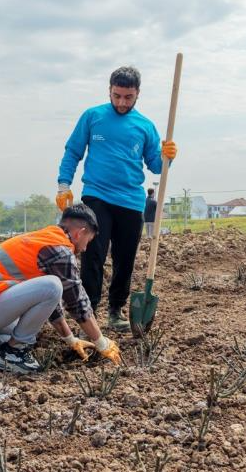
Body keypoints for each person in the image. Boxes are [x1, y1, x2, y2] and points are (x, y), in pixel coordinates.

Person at [56, 66, 178, 332]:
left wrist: (167, 156)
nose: (122, 102)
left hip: (131, 201)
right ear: (109, 91)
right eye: (117, 95)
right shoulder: (93, 117)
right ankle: (87, 312)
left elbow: (156, 166)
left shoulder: (145, 126)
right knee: (93, 255)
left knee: (125, 258)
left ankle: (116, 310)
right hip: (96, 195)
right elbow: (73, 151)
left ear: (137, 94)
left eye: (128, 97)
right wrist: (64, 185)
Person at [0, 204, 122, 374]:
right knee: (52, 287)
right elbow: (77, 301)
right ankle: (13, 354)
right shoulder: (60, 251)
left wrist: (70, 339)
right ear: (79, 233)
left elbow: (48, 304)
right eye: (88, 241)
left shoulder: (43, 239)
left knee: (28, 332)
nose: (85, 248)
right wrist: (101, 342)